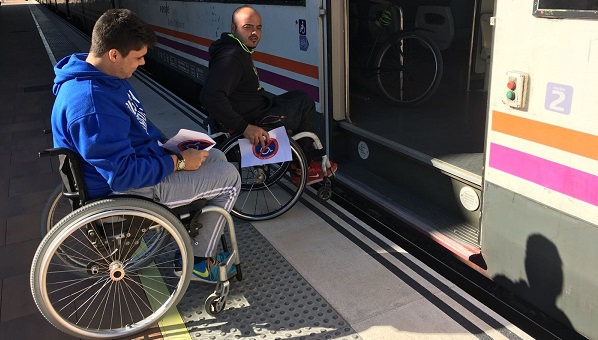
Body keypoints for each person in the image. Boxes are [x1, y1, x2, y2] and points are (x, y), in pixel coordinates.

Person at [50, 9, 240, 283]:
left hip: (143, 164)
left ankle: (193, 232)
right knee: (230, 178)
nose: (141, 64)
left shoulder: (102, 78)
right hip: (130, 191)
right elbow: (123, 175)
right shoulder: (92, 104)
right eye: (138, 57)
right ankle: (198, 262)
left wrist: (171, 149)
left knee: (217, 156)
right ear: (114, 54)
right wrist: (180, 162)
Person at [200, 5, 337, 185]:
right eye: (247, 27)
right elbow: (210, 96)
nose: (254, 32)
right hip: (253, 118)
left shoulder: (236, 50)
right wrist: (245, 128)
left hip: (254, 108)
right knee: (305, 104)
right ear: (233, 28)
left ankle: (298, 164)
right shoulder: (232, 56)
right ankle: (301, 168)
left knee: (298, 96)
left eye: (258, 28)